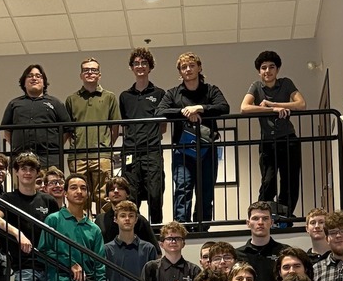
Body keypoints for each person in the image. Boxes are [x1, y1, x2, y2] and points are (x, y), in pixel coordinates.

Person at [157, 52, 229, 229]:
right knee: (182, 189)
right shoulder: (173, 93)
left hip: (207, 149)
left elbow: (224, 107)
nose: (188, 69)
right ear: (179, 72)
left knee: (206, 190)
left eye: (191, 66)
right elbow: (159, 112)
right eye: (184, 67)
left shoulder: (211, 90)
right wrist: (184, 112)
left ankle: (202, 227)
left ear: (199, 67)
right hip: (182, 150)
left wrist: (200, 108)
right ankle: (182, 227)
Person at [1, 151, 59, 281]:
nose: (27, 172)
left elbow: (59, 230)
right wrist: (18, 234)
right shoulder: (7, 199)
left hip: (50, 268)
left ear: (37, 173)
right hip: (25, 267)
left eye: (31, 169)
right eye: (23, 168)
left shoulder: (48, 200)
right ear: (15, 172)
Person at [241, 52, 306, 217]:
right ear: (259, 71)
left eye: (271, 67)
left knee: (289, 181)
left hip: (288, 139)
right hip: (268, 142)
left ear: (277, 69)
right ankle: (264, 216)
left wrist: (273, 103)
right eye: (263, 68)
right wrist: (272, 110)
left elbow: (301, 104)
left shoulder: (286, 83)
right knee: (268, 181)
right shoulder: (256, 86)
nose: (267, 71)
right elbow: (244, 108)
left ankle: (285, 217)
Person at [66, 57, 120, 213]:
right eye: (86, 70)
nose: (90, 73)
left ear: (99, 75)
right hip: (78, 156)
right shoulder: (72, 99)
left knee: (104, 197)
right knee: (79, 197)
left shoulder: (109, 97)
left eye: (94, 70)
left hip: (102, 155)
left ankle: (103, 231)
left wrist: (107, 146)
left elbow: (114, 126)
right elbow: (68, 130)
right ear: (81, 75)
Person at [119, 47, 166, 225]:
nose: (140, 66)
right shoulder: (125, 96)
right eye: (136, 63)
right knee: (132, 197)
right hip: (130, 152)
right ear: (131, 67)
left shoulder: (159, 93)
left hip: (152, 151)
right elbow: (125, 122)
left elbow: (163, 126)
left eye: (144, 63)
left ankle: (155, 231)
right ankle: (135, 231)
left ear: (150, 67)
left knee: (155, 194)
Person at [1, 64, 69, 171]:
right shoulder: (14, 104)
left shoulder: (55, 103)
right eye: (30, 76)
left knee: (50, 186)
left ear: (44, 82)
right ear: (24, 82)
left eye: (38, 76)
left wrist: (54, 146)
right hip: (21, 159)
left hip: (49, 159)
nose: (34, 78)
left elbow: (66, 129)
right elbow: (7, 130)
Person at [238, 201, 286, 281]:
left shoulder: (285, 252)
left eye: (265, 218)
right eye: (255, 218)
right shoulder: (237, 255)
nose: (260, 222)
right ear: (248, 223)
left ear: (271, 222)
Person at [96, 176, 159, 249]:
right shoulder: (100, 219)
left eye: (120, 188)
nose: (116, 191)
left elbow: (155, 251)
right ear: (107, 195)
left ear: (127, 193)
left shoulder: (140, 220)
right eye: (112, 189)